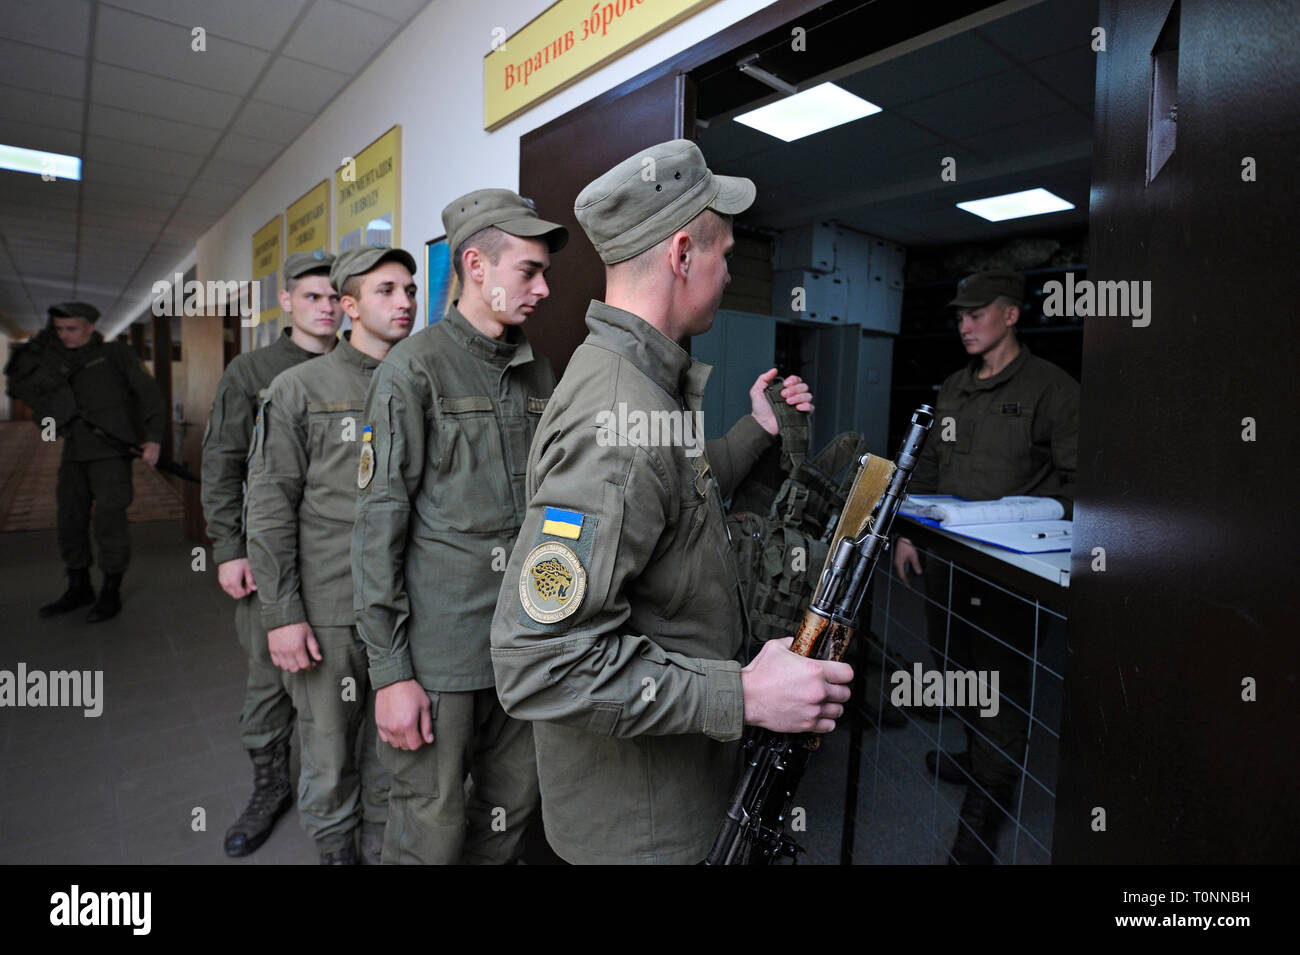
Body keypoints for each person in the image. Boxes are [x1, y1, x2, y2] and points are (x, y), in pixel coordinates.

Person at [490, 139, 853, 865]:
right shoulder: (616, 417)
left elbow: (667, 510)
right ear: (683, 254)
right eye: (725, 253)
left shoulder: (637, 387)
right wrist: (742, 695)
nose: (727, 272)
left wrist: (758, 429)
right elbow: (539, 662)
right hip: (641, 830)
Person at [352, 190, 567, 864]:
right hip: (442, 657)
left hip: (527, 644)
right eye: (528, 270)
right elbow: (377, 525)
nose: (543, 287)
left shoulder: (541, 370)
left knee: (509, 812)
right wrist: (389, 674)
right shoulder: (412, 369)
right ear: (476, 265)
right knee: (429, 828)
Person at [891, 268, 1079, 864]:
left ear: (1011, 314)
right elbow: (926, 467)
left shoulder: (1054, 390)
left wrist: (1031, 526)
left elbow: (1082, 489)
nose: (965, 324)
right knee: (956, 670)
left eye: (977, 313)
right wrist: (907, 532)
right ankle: (977, 763)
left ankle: (977, 833)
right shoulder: (953, 386)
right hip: (946, 566)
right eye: (959, 316)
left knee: (1000, 692)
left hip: (1006, 576)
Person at [245, 245, 415, 864]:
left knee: (395, 747)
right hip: (331, 607)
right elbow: (268, 507)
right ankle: (336, 853)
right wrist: (282, 612)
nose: (404, 303)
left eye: (409, 289)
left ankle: (377, 848)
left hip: (405, 607)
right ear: (349, 306)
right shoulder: (299, 389)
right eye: (386, 290)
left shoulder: (419, 377)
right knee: (330, 746)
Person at [200, 250, 341, 857]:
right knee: (268, 676)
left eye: (336, 297)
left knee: (337, 682)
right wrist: (228, 548)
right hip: (269, 555)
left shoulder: (367, 363)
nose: (327, 307)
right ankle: (269, 786)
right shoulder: (254, 371)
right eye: (314, 297)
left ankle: (338, 795)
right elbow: (223, 462)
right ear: (286, 302)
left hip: (337, 560)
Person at [3, 301, 164, 623]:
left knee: (109, 520)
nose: (65, 335)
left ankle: (110, 589)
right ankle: (79, 586)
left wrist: (154, 438)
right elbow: (43, 406)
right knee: (70, 520)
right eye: (60, 329)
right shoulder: (56, 362)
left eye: (72, 329)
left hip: (110, 454)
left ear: (90, 327)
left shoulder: (116, 355)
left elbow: (150, 394)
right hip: (74, 453)